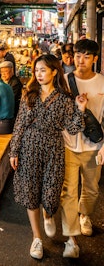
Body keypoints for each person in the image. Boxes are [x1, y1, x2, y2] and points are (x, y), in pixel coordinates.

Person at [9, 54, 86, 260]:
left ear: (54, 71)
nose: (39, 74)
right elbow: (19, 125)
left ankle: (48, 213)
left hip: (53, 148)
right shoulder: (29, 95)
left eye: (43, 70)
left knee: (52, 192)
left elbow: (74, 127)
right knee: (31, 192)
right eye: (36, 71)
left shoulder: (64, 98)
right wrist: (14, 151)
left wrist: (80, 108)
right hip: (29, 147)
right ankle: (37, 238)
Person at [59, 39, 104, 258]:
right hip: (68, 144)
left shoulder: (102, 83)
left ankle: (85, 215)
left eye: (86, 56)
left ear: (95, 59)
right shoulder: (65, 81)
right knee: (68, 190)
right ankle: (71, 236)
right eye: (78, 55)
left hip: (94, 145)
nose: (81, 60)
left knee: (92, 188)